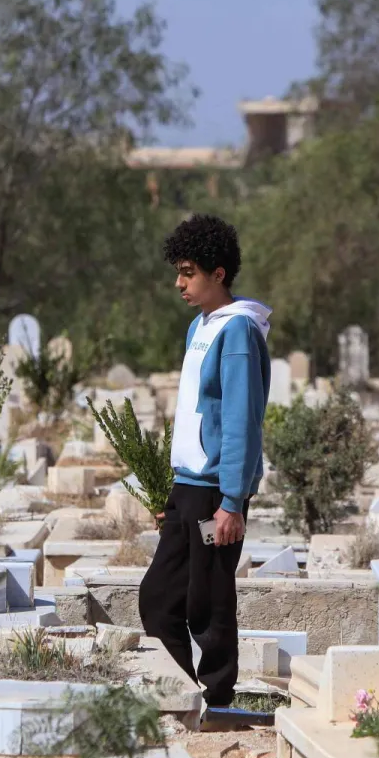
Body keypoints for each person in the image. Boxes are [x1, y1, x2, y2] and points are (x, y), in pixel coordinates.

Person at [140, 213, 271, 722]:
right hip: (187, 490)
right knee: (158, 598)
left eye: (188, 271)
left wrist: (232, 501)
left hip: (217, 493)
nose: (179, 282)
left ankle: (217, 704)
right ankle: (180, 693)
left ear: (219, 273)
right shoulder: (200, 326)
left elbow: (241, 420)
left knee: (209, 603)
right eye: (177, 271)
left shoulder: (237, 331)